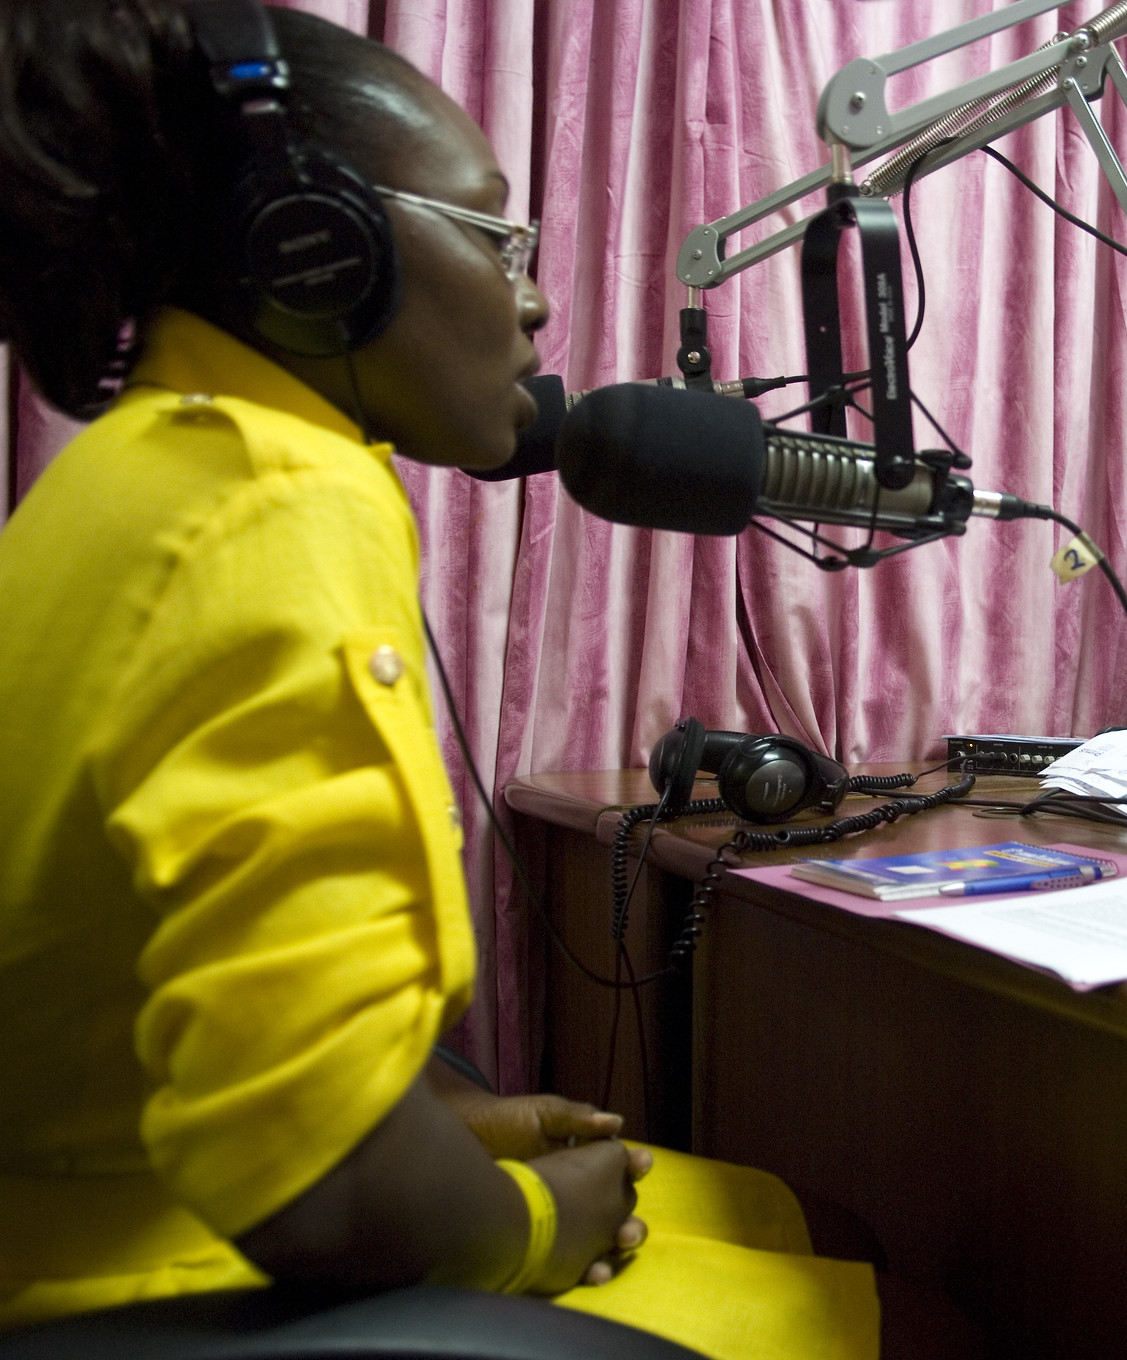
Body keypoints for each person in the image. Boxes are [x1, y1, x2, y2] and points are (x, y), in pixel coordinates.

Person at [0, 4, 890, 1355]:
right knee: (871, 1289)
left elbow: (178, 1006)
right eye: (496, 238)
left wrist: (446, 1127)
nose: (533, 297)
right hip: (150, 1283)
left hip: (114, 1203)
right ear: (317, 249)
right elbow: (315, 1187)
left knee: (780, 1213)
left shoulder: (132, 473)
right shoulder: (277, 502)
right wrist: (532, 1222)